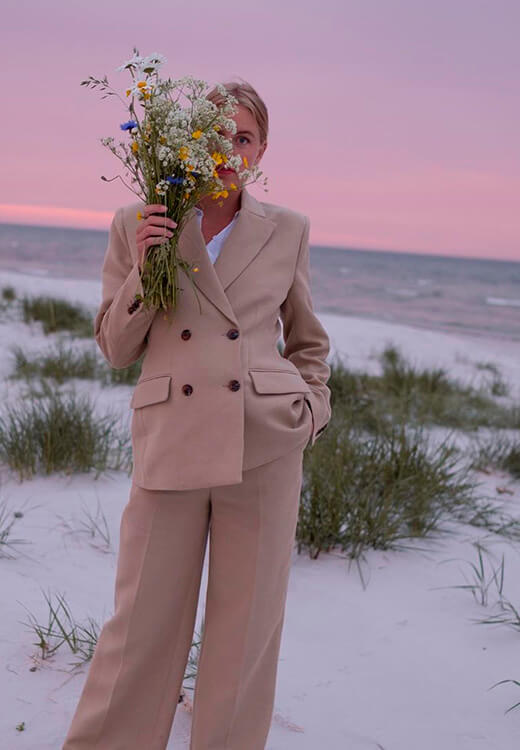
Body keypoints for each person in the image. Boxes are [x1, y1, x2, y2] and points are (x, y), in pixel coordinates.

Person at [62, 79, 331, 749]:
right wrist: (147, 264)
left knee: (245, 638)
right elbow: (116, 348)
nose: (226, 151)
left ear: (261, 151)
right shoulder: (141, 220)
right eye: (215, 136)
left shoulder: (288, 230)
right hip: (171, 441)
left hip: (263, 446)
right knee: (140, 626)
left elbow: (307, 340)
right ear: (191, 140)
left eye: (242, 139)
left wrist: (310, 411)